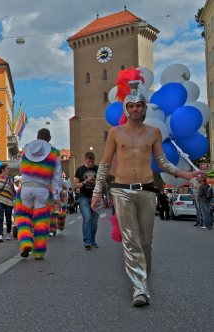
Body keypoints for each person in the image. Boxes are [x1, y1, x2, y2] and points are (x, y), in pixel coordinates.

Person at [90, 76, 203, 307]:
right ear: (126, 108)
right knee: (130, 240)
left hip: (147, 191)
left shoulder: (153, 133)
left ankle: (143, 280)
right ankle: (139, 289)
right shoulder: (116, 132)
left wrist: (185, 174)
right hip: (121, 191)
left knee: (145, 242)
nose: (134, 109)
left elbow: (163, 163)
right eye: (130, 106)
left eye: (138, 106)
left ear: (143, 108)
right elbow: (104, 164)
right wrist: (96, 192)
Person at [15, 129, 62, 259]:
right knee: (41, 221)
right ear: (49, 138)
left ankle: (25, 243)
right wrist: (57, 197)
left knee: (23, 217)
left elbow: (21, 168)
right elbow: (57, 177)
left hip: (26, 189)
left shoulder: (27, 150)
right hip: (42, 190)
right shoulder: (54, 153)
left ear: (37, 137)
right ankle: (39, 252)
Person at [73, 151, 99, 249]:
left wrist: (95, 182)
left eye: (92, 162)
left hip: (95, 197)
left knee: (94, 221)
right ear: (85, 160)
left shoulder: (97, 169)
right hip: (84, 197)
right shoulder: (80, 170)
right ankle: (87, 241)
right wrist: (84, 182)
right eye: (89, 162)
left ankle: (92, 240)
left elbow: (102, 182)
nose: (91, 164)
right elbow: (75, 186)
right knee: (87, 218)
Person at [0, 164, 16, 242]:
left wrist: (12, 186)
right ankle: (0, 235)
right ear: (3, 170)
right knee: (0, 218)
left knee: (9, 219)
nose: (9, 170)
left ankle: (8, 232)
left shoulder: (10, 179)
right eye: (7, 168)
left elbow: (13, 191)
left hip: (9, 201)